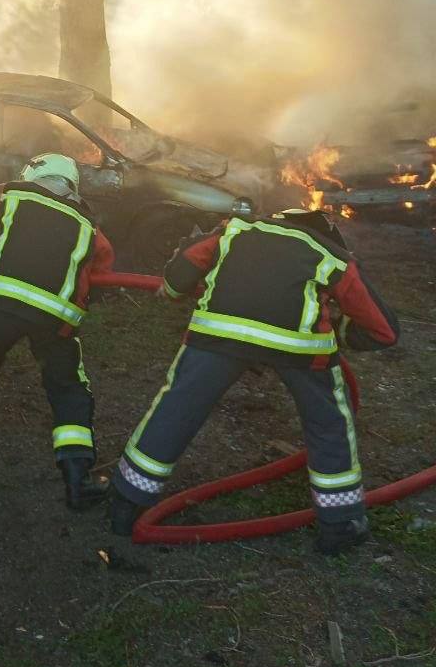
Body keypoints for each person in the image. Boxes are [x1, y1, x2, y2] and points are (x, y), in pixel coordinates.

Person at [109, 209, 399, 555]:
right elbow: (384, 330)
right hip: (299, 349)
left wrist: (172, 290)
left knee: (177, 408)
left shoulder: (235, 230)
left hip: (219, 336)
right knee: (329, 424)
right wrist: (345, 334)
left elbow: (180, 272)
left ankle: (125, 503)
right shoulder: (333, 254)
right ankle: (341, 524)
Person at [0, 152, 116, 510]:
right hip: (53, 317)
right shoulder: (89, 225)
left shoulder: (8, 196)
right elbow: (101, 279)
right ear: (71, 186)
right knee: (66, 385)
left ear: (32, 175)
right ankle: (77, 479)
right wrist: (73, 308)